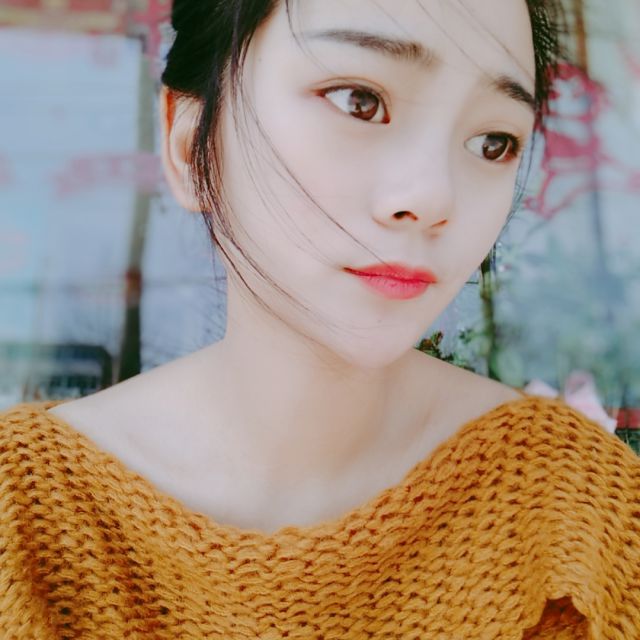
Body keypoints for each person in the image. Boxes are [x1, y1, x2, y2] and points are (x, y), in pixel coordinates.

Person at [1, 1, 639, 638]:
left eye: (492, 143)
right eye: (360, 101)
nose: (432, 197)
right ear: (191, 143)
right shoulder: (25, 510)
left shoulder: (577, 508)